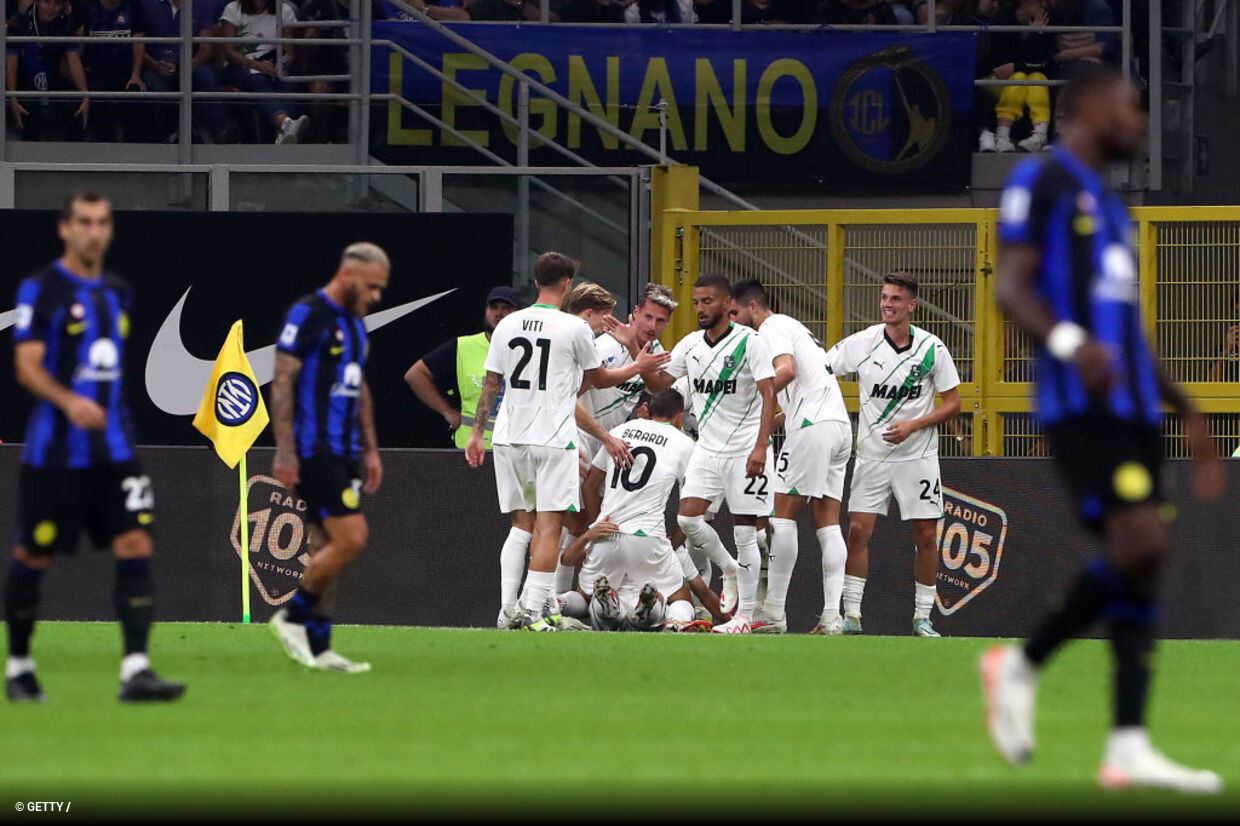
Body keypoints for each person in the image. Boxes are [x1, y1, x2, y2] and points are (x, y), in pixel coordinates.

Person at [983, 66, 1225, 792]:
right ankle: (1021, 664)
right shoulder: (1042, 182)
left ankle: (1127, 745)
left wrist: (1186, 406)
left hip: (1137, 413)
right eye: (1130, 108)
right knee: (1142, 541)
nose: (1141, 123)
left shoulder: (1117, 211)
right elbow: (1009, 287)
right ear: (1089, 109)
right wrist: (1067, 346)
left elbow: (1130, 332)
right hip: (1079, 407)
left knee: (1143, 563)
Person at [5, 191, 184, 703]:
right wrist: (69, 403)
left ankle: (136, 670)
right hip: (55, 453)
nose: (92, 231)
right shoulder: (41, 289)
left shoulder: (117, 291)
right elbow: (26, 366)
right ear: (64, 229)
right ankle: (19, 667)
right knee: (33, 554)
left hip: (114, 451)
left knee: (135, 544)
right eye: (83, 222)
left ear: (109, 230)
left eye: (101, 222)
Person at [464, 252, 643, 631]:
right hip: (551, 437)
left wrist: (478, 434)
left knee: (519, 525)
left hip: (510, 436)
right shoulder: (573, 328)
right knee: (548, 526)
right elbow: (601, 378)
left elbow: (492, 383)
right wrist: (638, 367)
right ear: (566, 284)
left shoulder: (508, 324)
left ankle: (507, 609)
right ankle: (534, 613)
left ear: (535, 282)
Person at [268, 242, 390, 672]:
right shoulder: (308, 313)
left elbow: (360, 389)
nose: (376, 296)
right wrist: (284, 450)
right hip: (312, 448)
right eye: (372, 287)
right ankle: (293, 617)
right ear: (348, 274)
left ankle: (319, 649)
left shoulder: (355, 326)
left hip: (346, 452)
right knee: (351, 538)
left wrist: (371, 448)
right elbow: (282, 382)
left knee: (326, 545)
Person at [825, 272, 962, 637]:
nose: (887, 304)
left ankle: (922, 618)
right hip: (871, 455)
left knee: (927, 536)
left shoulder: (933, 348)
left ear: (912, 305)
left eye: (896, 299)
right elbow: (822, 372)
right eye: (884, 298)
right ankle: (852, 615)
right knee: (857, 531)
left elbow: (953, 404)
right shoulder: (863, 342)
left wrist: (913, 425)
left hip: (918, 456)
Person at [640, 274, 778, 635]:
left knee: (746, 532)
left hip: (745, 448)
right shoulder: (690, 345)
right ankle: (729, 569)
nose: (701, 308)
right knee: (687, 520)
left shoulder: (750, 342)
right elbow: (661, 385)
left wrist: (762, 445)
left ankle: (745, 616)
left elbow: (769, 394)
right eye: (697, 302)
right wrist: (635, 357)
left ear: (727, 303)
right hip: (707, 448)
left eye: (708, 301)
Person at [731, 279, 852, 635]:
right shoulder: (795, 327)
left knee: (781, 514)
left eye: (736, 313)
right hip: (838, 426)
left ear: (753, 307)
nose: (734, 322)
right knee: (827, 521)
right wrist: (774, 419)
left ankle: (774, 613)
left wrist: (752, 403)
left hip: (812, 425)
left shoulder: (770, 328)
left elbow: (785, 371)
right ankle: (832, 617)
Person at [562, 390, 699, 632]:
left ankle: (556, 603)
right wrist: (676, 541)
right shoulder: (685, 444)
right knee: (681, 596)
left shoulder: (619, 432)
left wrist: (598, 525)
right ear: (678, 417)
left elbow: (591, 486)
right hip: (648, 535)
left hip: (608, 533)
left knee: (584, 595)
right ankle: (677, 624)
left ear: (649, 409)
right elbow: (694, 505)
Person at [404, 285, 524, 449]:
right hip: (470, 451)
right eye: (493, 307)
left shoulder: (530, 350)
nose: (498, 313)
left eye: (506, 308)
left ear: (519, 313)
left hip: (515, 451)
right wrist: (447, 411)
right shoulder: (463, 346)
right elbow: (415, 375)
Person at [132, 0, 231, 143]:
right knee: (158, 88)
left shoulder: (200, 5)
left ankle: (222, 133)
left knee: (206, 76)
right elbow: (138, 43)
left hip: (191, 65)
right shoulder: (147, 4)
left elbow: (206, 46)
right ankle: (161, 138)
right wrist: (153, 64)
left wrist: (191, 63)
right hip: (155, 66)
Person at [217, 0, 309, 144]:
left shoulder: (284, 10)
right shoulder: (232, 9)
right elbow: (229, 52)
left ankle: (282, 136)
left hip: (272, 66)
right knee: (258, 79)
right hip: (239, 67)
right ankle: (286, 123)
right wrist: (257, 65)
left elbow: (290, 51)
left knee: (287, 83)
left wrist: (280, 65)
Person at [5, 0, 90, 141]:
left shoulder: (66, 23)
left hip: (56, 80)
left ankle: (75, 159)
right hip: (27, 83)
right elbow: (11, 64)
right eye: (47, 2)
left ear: (63, 5)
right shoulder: (19, 22)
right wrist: (13, 97)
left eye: (57, 4)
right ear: (38, 2)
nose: (51, 8)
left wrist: (85, 94)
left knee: (77, 107)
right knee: (24, 111)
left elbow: (73, 59)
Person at [72, 0, 144, 142]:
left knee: (138, 91)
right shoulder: (86, 7)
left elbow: (138, 41)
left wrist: (136, 74)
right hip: (94, 71)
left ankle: (134, 148)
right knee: (96, 94)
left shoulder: (133, 6)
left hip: (124, 70)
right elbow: (71, 43)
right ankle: (105, 144)